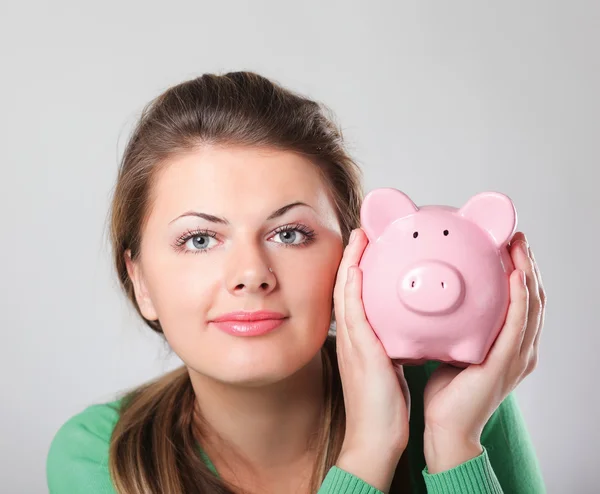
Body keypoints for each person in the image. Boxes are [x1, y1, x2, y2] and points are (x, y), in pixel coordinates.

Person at [46, 71, 547, 494]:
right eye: (199, 239)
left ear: (357, 258)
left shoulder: (458, 400)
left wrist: (454, 444)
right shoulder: (99, 455)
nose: (251, 275)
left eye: (289, 233)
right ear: (142, 283)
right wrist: (368, 453)